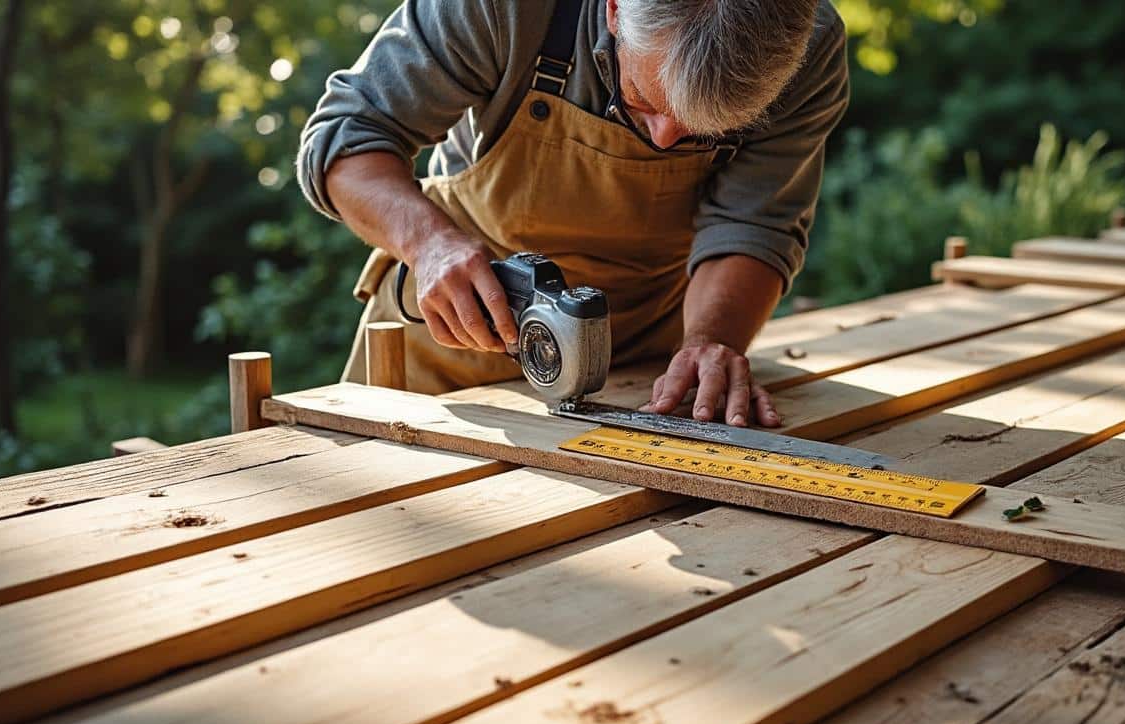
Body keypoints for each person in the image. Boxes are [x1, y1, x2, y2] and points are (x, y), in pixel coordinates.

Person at [297, 0, 848, 426]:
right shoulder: (509, 9)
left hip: (644, 370)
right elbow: (344, 141)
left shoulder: (807, 44)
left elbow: (753, 227)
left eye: (704, 131)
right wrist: (429, 243)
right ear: (614, 10)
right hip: (451, 347)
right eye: (645, 102)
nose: (664, 138)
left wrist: (710, 341)